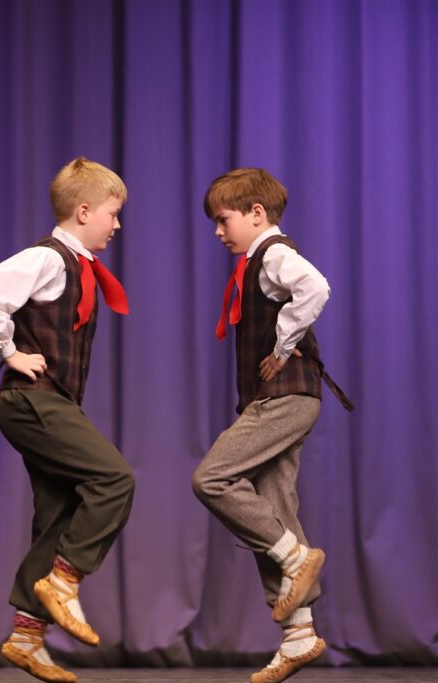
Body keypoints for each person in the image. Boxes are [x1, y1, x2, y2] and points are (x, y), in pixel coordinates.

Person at [0, 157, 134, 682]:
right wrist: (9, 351)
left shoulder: (77, 266)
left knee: (60, 513)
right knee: (114, 479)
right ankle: (63, 581)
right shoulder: (48, 259)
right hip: (32, 401)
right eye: (112, 213)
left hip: (51, 402)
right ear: (84, 211)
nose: (116, 224)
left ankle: (27, 636)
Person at [191, 168, 353, 683]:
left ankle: (294, 557)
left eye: (224, 219)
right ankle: (299, 634)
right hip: (280, 398)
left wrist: (283, 346)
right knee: (275, 505)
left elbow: (315, 287)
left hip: (285, 398)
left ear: (256, 213)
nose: (219, 231)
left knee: (212, 478)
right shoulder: (257, 262)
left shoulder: (273, 254)